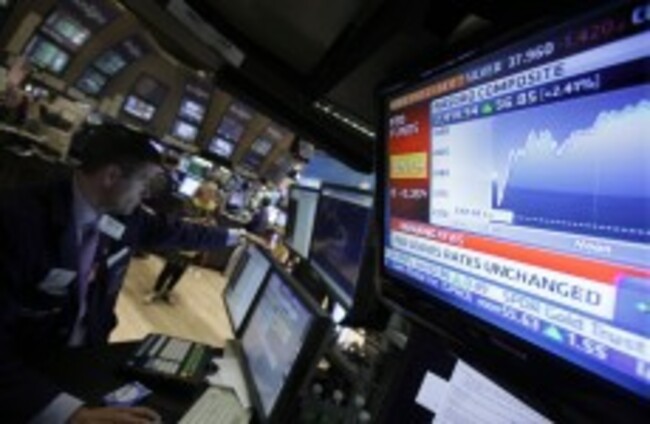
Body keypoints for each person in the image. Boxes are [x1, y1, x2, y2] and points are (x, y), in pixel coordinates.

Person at [0, 123, 246, 423]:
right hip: (32, 379)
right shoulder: (18, 221)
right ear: (111, 176)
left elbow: (173, 231)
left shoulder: (124, 216)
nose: (147, 193)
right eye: (145, 182)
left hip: (89, 356)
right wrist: (74, 414)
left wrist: (237, 238)